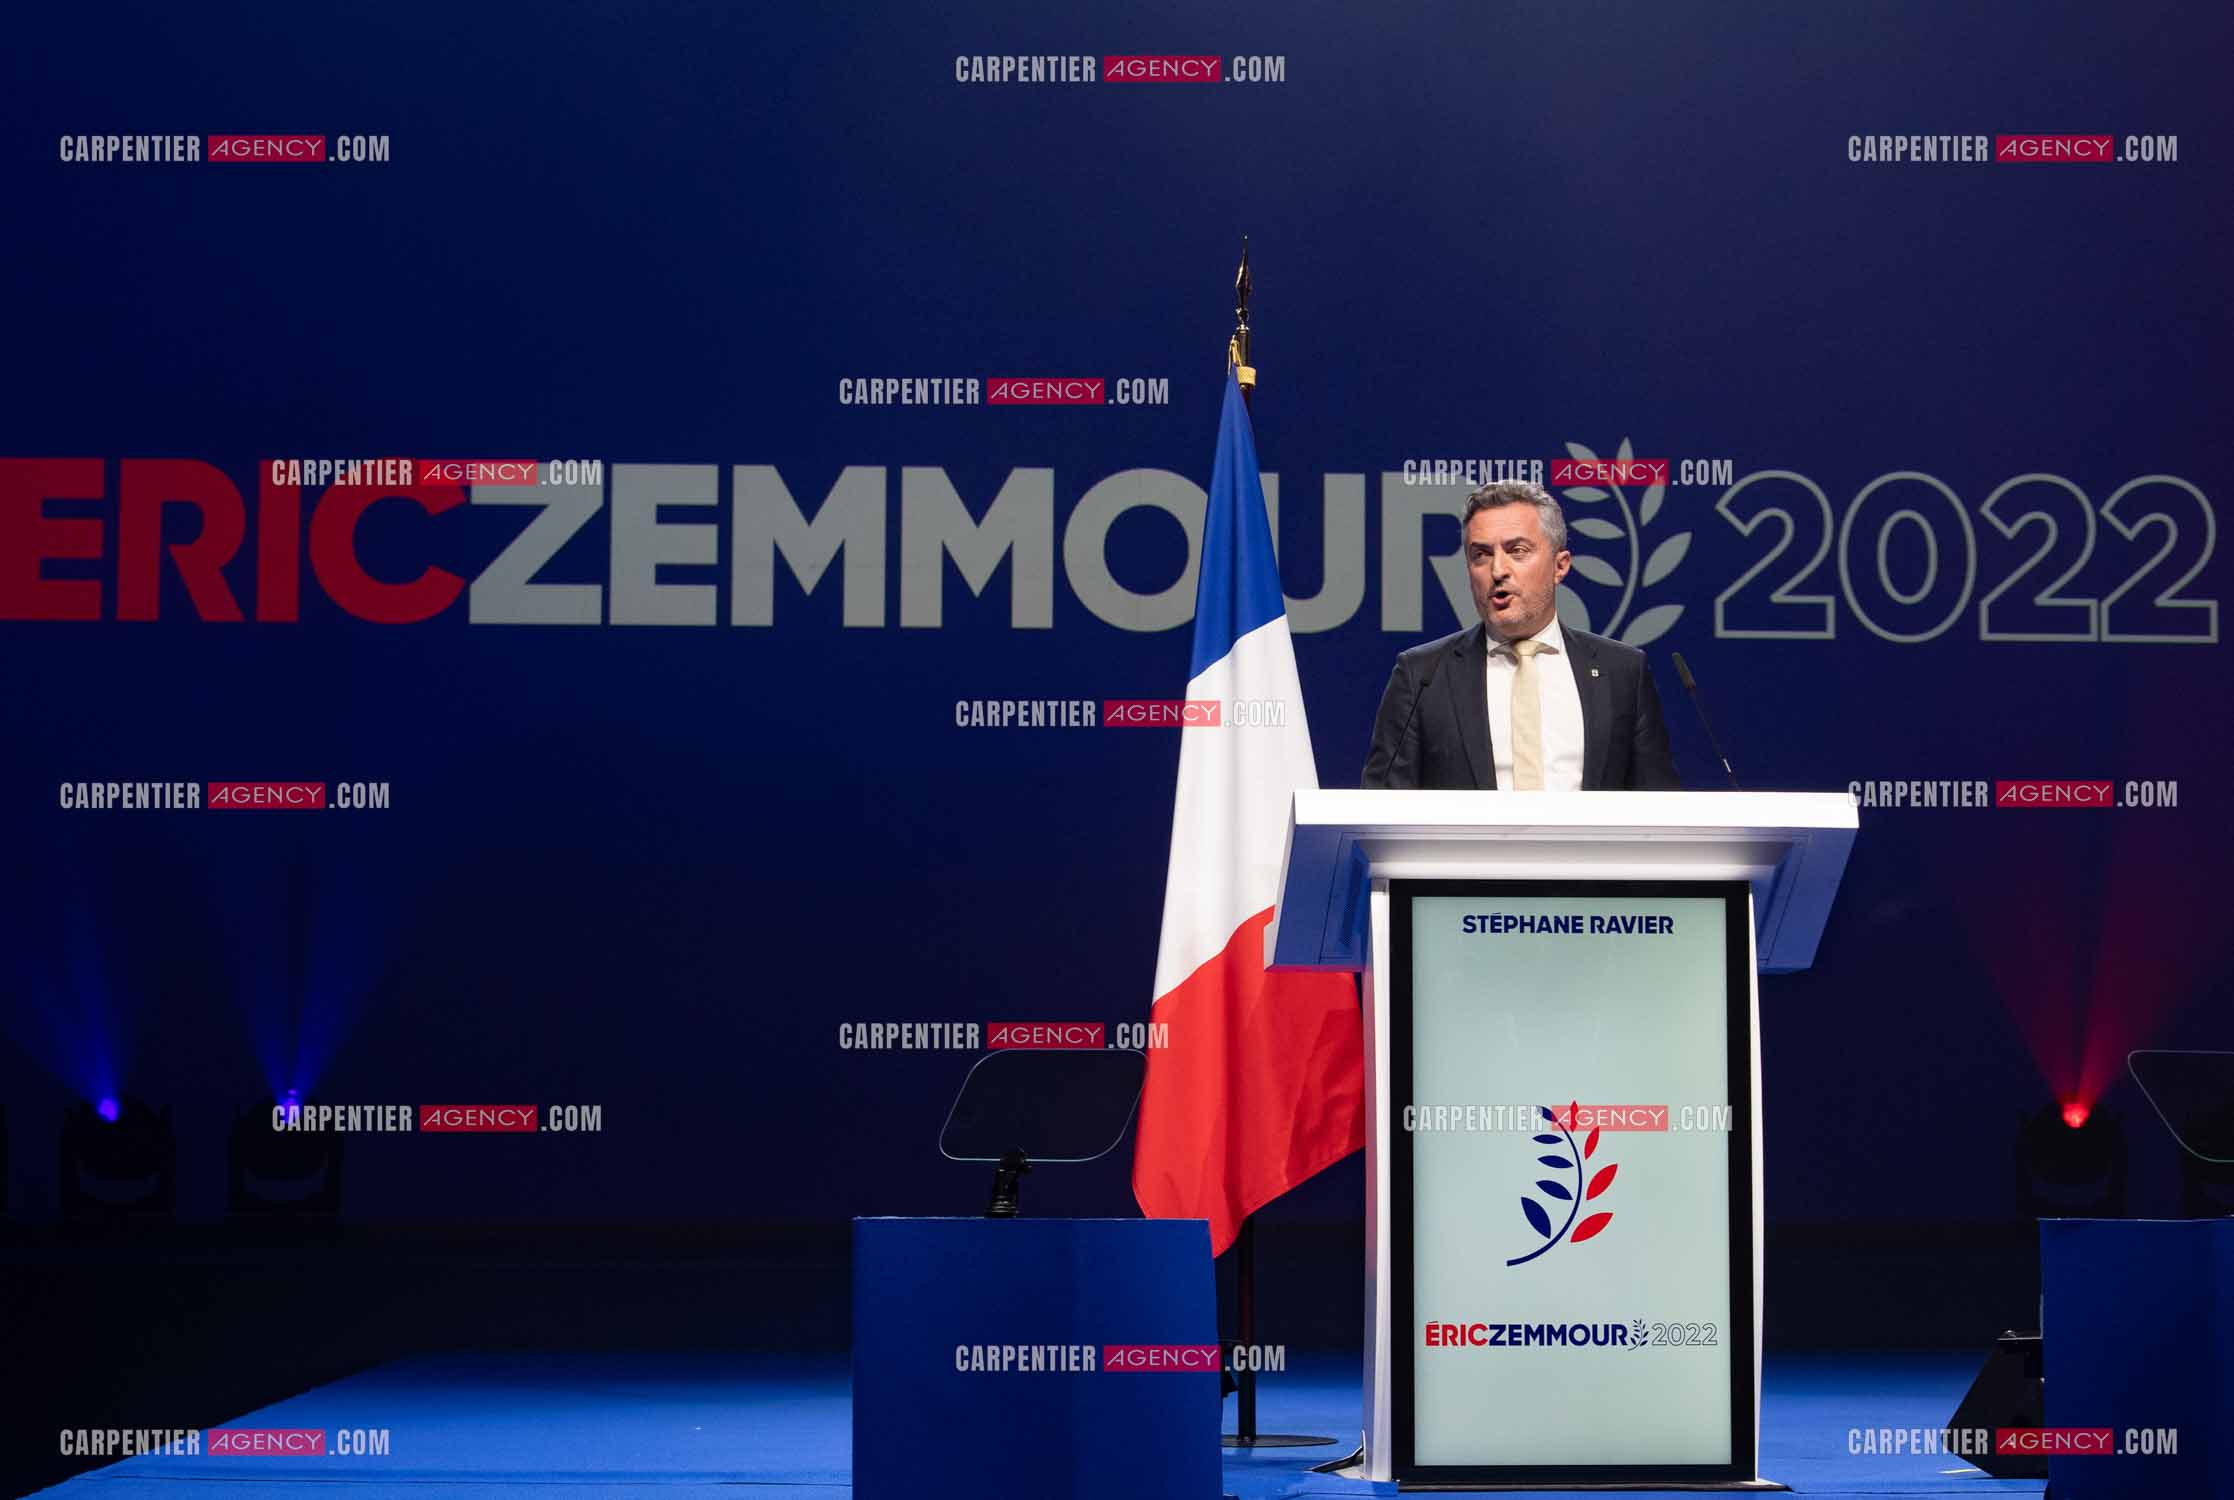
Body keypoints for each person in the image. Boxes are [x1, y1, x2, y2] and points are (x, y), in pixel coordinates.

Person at [1361, 480, 1681, 791]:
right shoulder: (1422, 674)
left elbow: (1661, 809)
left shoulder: (1623, 671)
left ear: (1560, 565)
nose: (1498, 570)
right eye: (1481, 555)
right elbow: (1379, 808)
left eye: (1517, 551)